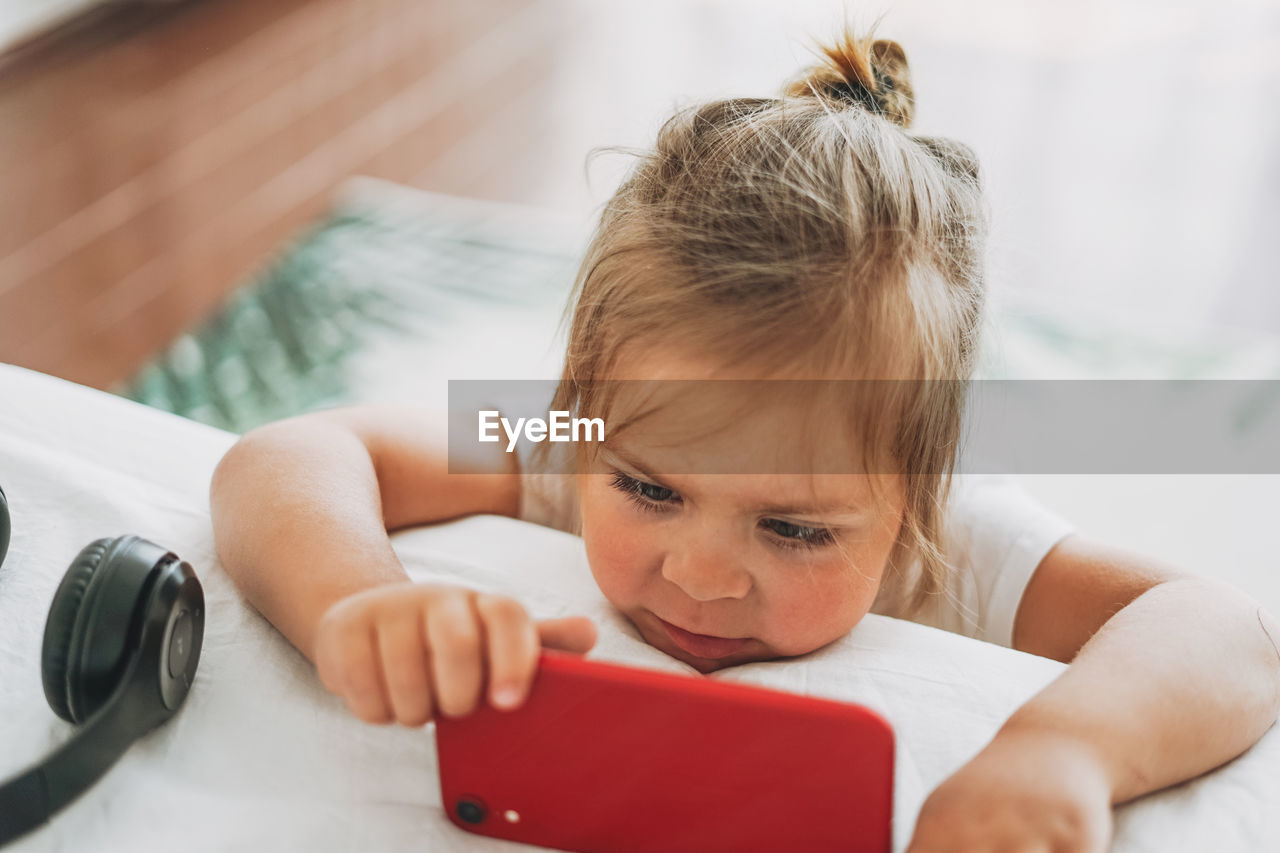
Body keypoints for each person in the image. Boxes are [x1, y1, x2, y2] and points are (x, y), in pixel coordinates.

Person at [209, 28, 1280, 852]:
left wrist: (1067, 749)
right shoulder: (566, 434)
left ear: (910, 491)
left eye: (794, 528)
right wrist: (358, 599)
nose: (703, 575)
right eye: (651, 491)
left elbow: (1221, 627)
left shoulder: (954, 536)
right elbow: (289, 455)